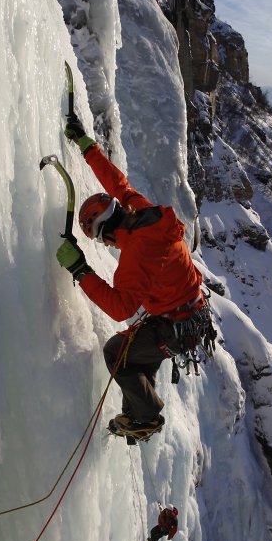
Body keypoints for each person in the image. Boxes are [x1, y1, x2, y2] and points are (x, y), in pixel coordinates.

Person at [55, 113, 204, 440]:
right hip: (182, 316)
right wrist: (86, 145)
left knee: (116, 353)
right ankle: (136, 416)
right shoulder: (143, 214)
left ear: (106, 233)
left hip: (177, 324)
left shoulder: (138, 251)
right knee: (136, 359)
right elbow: (118, 184)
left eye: (100, 239)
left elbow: (121, 307)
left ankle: (146, 418)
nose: (105, 245)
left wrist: (80, 270)